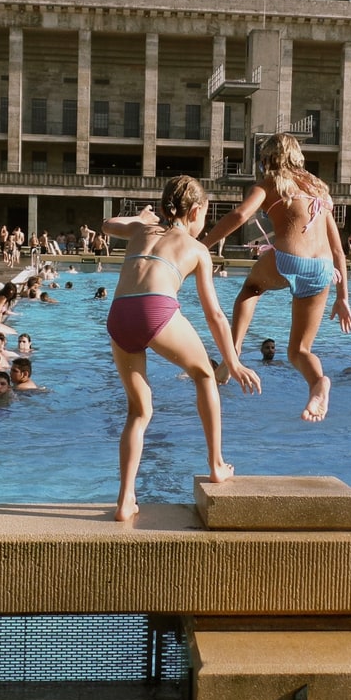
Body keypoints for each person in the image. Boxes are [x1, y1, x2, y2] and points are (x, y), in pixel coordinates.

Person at [102, 176, 261, 522]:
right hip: (153, 309)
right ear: (196, 211)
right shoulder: (198, 249)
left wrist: (142, 219)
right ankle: (217, 464)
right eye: (204, 214)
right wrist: (232, 361)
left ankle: (125, 500)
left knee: (138, 412)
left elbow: (107, 224)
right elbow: (215, 314)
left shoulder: (143, 231)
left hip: (118, 314)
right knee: (204, 373)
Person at [200, 133, 351, 422]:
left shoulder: (270, 182)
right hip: (323, 269)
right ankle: (318, 383)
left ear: (268, 158)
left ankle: (232, 355)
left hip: (288, 258)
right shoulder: (319, 190)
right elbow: (337, 250)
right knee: (299, 351)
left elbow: (240, 215)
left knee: (251, 290)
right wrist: (343, 297)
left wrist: (202, 245)